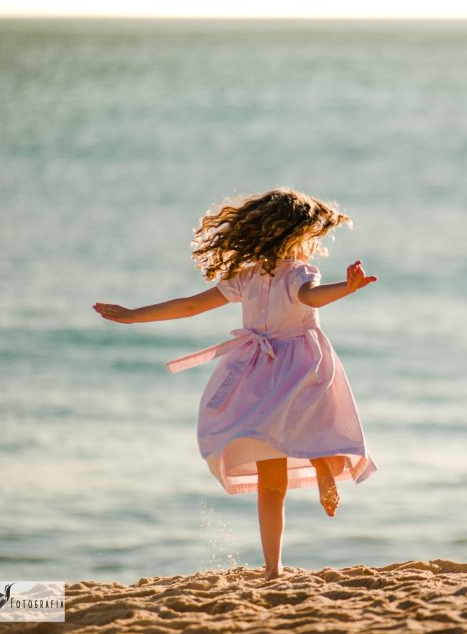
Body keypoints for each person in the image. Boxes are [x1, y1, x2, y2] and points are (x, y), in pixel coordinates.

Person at [93, 188, 379, 580]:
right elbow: (193, 305)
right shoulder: (258, 276)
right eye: (312, 237)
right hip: (274, 370)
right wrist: (132, 315)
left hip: (285, 370)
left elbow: (311, 297)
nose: (314, 246)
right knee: (277, 468)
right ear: (294, 235)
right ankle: (274, 567)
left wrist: (345, 288)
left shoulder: (280, 275)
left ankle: (322, 469)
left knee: (287, 451)